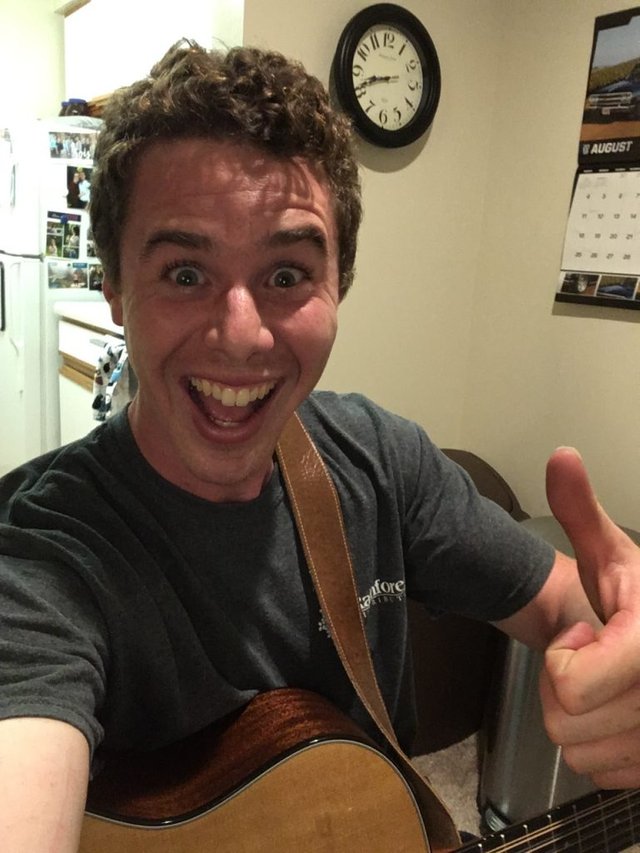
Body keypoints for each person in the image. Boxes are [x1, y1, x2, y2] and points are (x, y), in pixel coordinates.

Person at [1, 40, 640, 852]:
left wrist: (627, 632)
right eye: (185, 273)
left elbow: (567, 602)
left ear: (339, 285)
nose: (241, 337)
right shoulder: (41, 560)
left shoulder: (379, 463)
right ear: (116, 291)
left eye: (287, 274)